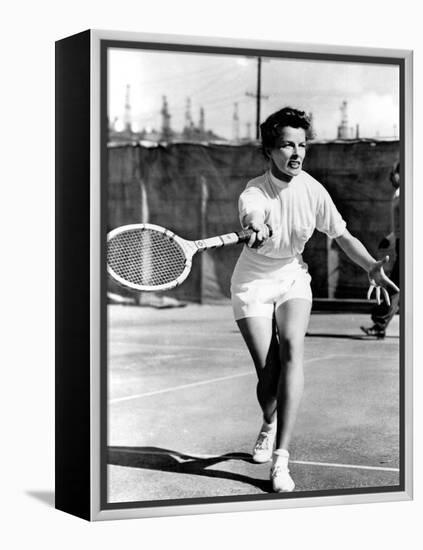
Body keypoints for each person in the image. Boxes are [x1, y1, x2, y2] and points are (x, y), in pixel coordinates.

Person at [230, 107, 399, 493]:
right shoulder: (255, 190)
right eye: (287, 144)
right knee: (268, 376)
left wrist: (371, 264)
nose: (297, 152)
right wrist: (255, 226)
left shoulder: (313, 190)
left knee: (292, 348)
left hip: (292, 275)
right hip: (252, 281)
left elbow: (342, 236)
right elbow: (251, 213)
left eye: (302, 144)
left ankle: (281, 459)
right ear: (270, 150)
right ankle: (268, 423)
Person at [361, 162, 400, 338]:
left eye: (395, 173)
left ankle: (380, 322)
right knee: (397, 285)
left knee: (396, 286)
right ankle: (380, 323)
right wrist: (391, 238)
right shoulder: (399, 193)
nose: (392, 177)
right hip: (402, 243)